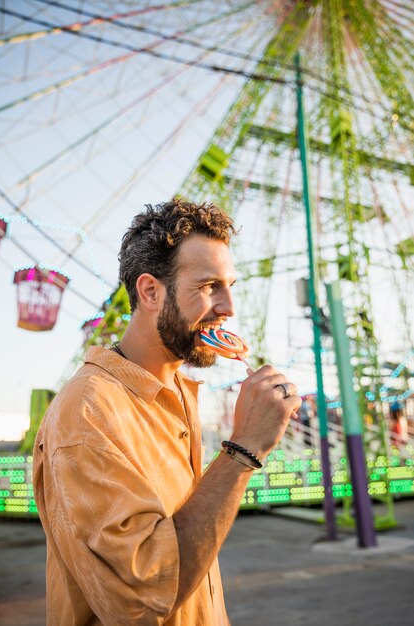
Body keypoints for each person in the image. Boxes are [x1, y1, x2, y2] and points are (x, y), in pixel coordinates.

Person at [33, 198, 301, 626]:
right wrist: (243, 447)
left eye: (230, 285)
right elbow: (139, 599)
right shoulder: (89, 411)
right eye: (209, 286)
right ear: (151, 291)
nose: (229, 307)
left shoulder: (177, 390)